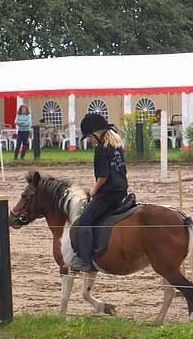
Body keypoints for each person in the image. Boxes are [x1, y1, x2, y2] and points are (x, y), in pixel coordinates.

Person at [71, 113, 128, 272]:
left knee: (84, 220)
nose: (90, 140)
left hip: (107, 193)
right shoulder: (116, 145)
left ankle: (85, 260)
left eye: (89, 137)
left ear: (95, 134)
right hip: (121, 191)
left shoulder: (101, 149)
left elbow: (103, 176)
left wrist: (93, 191)